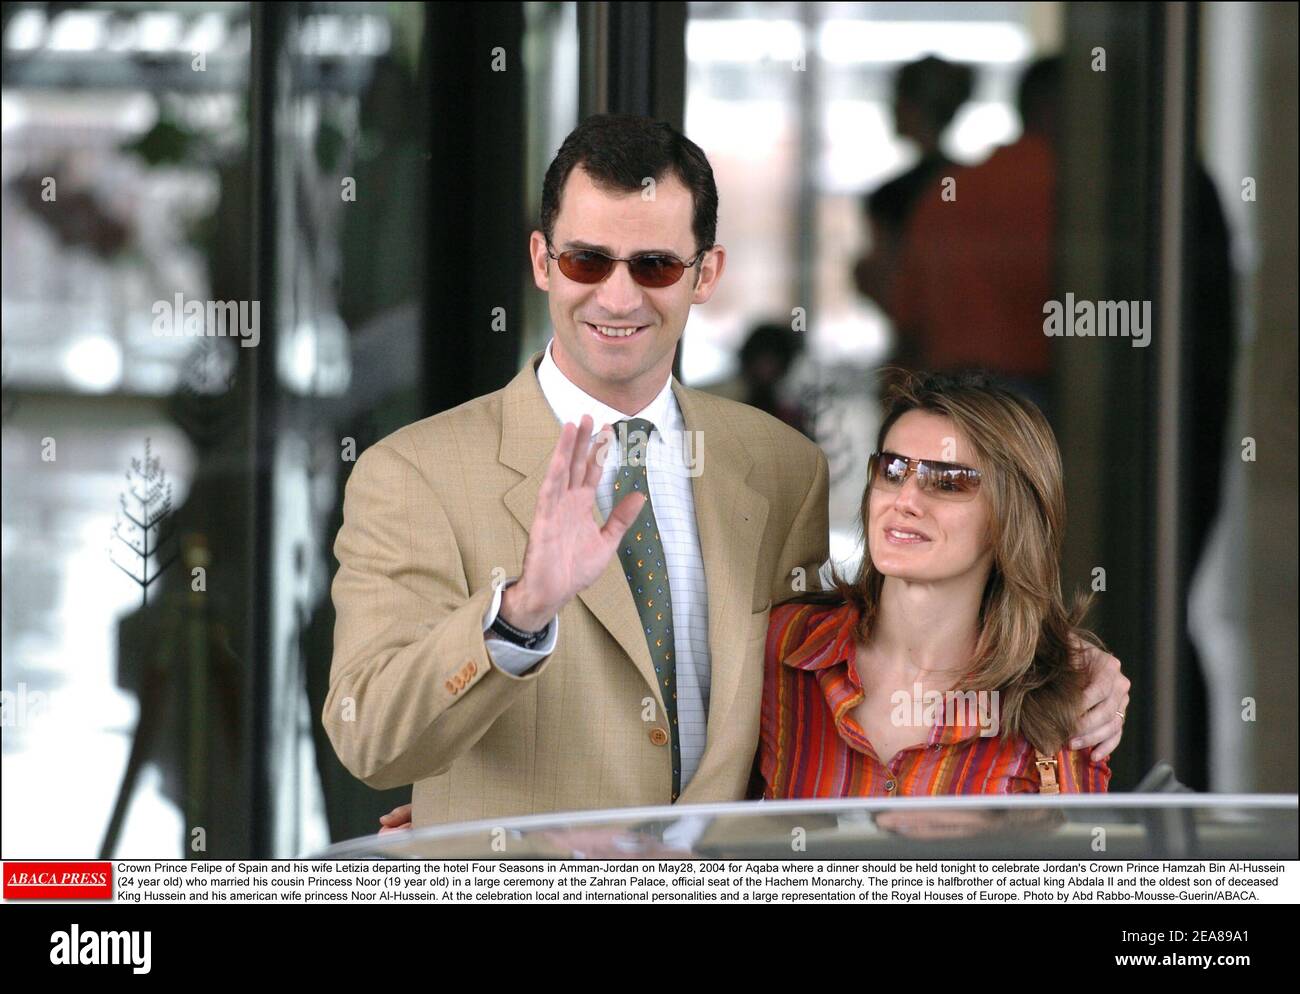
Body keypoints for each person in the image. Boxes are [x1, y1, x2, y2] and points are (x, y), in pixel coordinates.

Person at [334, 114, 1130, 835]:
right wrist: (522, 610)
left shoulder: (779, 465)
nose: (616, 294)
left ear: (704, 274)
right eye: (586, 260)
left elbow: (837, 665)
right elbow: (368, 735)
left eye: (653, 265)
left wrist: (1062, 670)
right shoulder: (413, 474)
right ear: (543, 261)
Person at [757, 370, 1120, 800]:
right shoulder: (786, 648)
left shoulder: (1059, 700)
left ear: (1011, 515)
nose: (905, 500)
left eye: (947, 482)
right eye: (892, 471)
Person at [853, 55, 974, 319]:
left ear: (912, 107)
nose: (890, 107)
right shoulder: (973, 185)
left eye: (896, 97)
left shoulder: (892, 197)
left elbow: (892, 290)